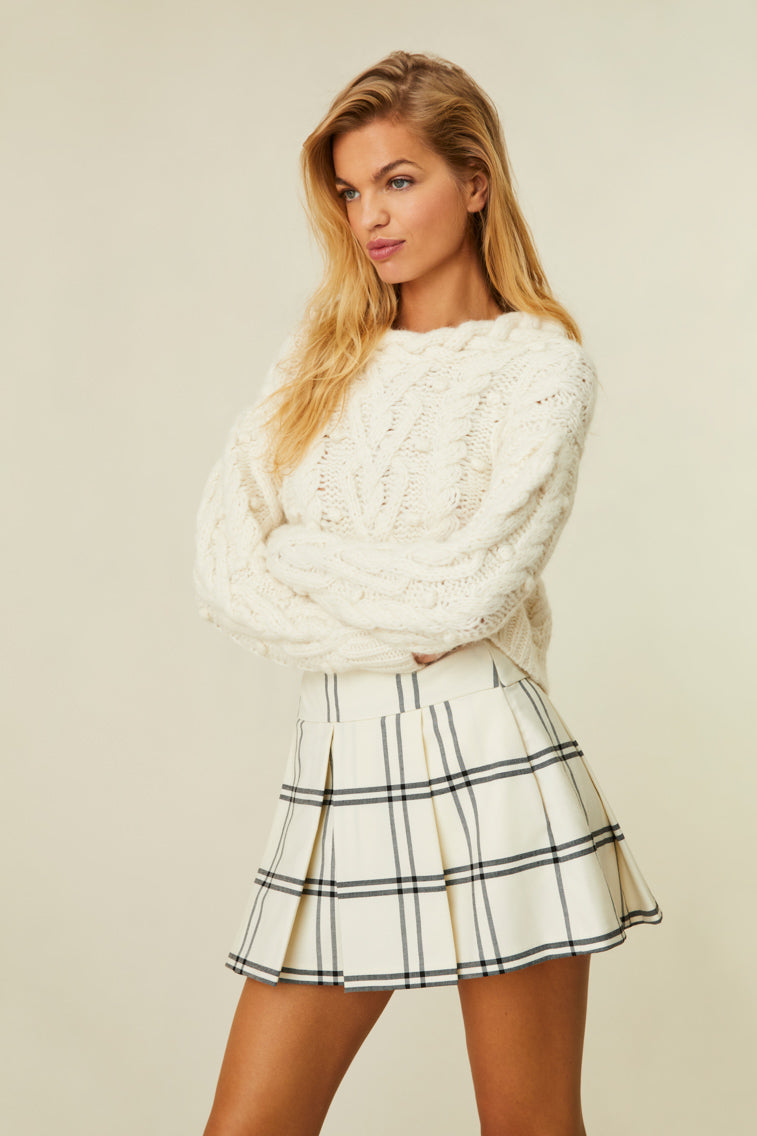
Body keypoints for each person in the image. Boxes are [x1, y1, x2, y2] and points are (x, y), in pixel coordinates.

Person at [193, 49, 663, 1136]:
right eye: (350, 190)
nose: (369, 215)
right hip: (337, 771)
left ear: (474, 182)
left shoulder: (539, 367)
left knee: (528, 1125)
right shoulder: (314, 360)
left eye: (398, 180)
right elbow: (226, 568)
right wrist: (360, 588)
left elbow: (469, 596)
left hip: (488, 760)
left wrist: (301, 555)